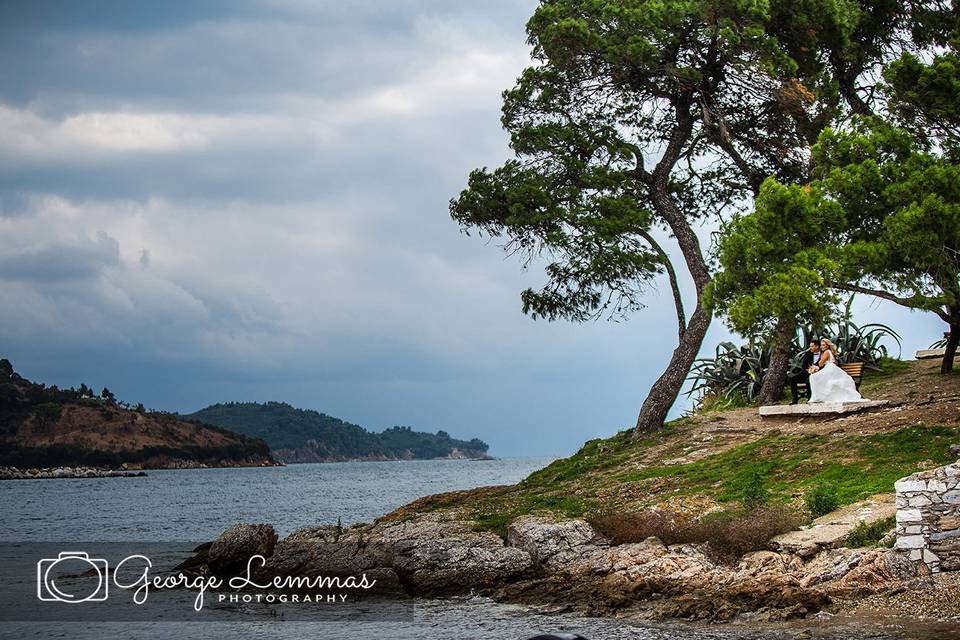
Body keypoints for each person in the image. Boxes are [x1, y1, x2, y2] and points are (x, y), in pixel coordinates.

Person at [808, 338, 864, 403]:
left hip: (829, 368)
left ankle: (818, 397)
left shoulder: (826, 352)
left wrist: (815, 367)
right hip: (832, 368)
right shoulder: (830, 351)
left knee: (813, 377)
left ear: (827, 345)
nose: (822, 347)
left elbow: (820, 364)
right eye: (821, 345)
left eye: (823, 345)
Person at [789, 339, 822, 404]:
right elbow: (803, 366)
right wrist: (808, 370)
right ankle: (794, 399)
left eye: (812, 346)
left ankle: (810, 399)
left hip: (818, 374)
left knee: (808, 381)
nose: (810, 348)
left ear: (817, 346)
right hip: (807, 373)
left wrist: (816, 370)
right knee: (793, 379)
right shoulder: (808, 353)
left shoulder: (823, 353)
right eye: (810, 346)